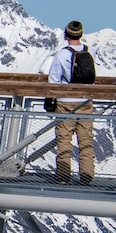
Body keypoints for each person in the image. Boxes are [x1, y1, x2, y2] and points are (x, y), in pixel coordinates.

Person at [45, 19, 96, 184]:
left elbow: (53, 80)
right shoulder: (91, 52)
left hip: (66, 102)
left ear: (66, 35)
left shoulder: (62, 54)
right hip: (85, 102)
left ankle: (63, 176)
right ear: (81, 34)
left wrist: (49, 101)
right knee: (86, 140)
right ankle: (87, 176)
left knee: (64, 141)